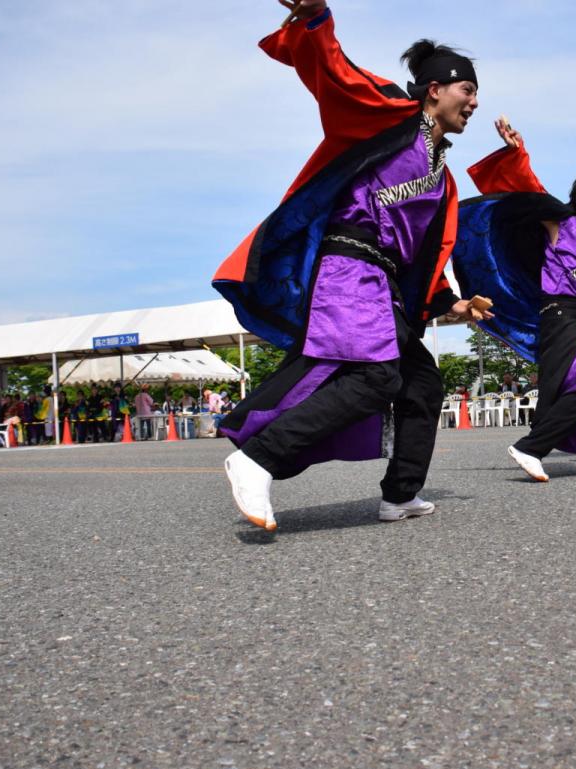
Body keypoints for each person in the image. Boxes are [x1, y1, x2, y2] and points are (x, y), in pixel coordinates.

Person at [214, 1, 492, 532]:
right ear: (434, 89)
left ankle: (400, 494)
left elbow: (420, 255)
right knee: (375, 379)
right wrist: (317, 19)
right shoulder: (390, 115)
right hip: (349, 267)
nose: (475, 102)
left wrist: (448, 302)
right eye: (467, 90)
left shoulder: (443, 175)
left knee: (422, 385)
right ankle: (257, 458)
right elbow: (340, 77)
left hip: (382, 281)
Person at [456, 118, 576, 479]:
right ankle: (530, 447)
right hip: (563, 316)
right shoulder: (563, 222)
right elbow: (531, 188)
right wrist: (517, 153)